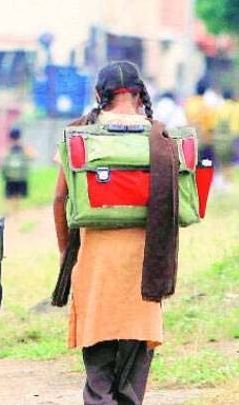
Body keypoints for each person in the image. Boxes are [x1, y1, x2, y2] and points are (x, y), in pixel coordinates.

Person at [53, 62, 171, 405]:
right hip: (145, 266)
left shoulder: (80, 134)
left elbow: (60, 199)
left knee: (99, 367)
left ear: (98, 95)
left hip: (95, 263)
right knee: (133, 368)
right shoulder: (159, 136)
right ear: (140, 94)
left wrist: (66, 253)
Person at [1, 128, 35, 214]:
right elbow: (32, 156)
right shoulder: (22, 148)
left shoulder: (9, 149)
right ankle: (14, 213)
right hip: (18, 177)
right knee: (15, 197)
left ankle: (14, 213)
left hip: (14, 177)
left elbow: (2, 159)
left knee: (12, 197)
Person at [185, 79, 218, 161]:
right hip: (204, 141)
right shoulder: (206, 106)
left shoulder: (189, 103)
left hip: (190, 140)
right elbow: (211, 126)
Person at [214, 89, 239, 185]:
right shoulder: (236, 107)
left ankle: (223, 181)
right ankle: (230, 181)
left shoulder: (219, 108)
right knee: (232, 161)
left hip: (220, 139)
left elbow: (214, 125)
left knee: (222, 160)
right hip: (234, 137)